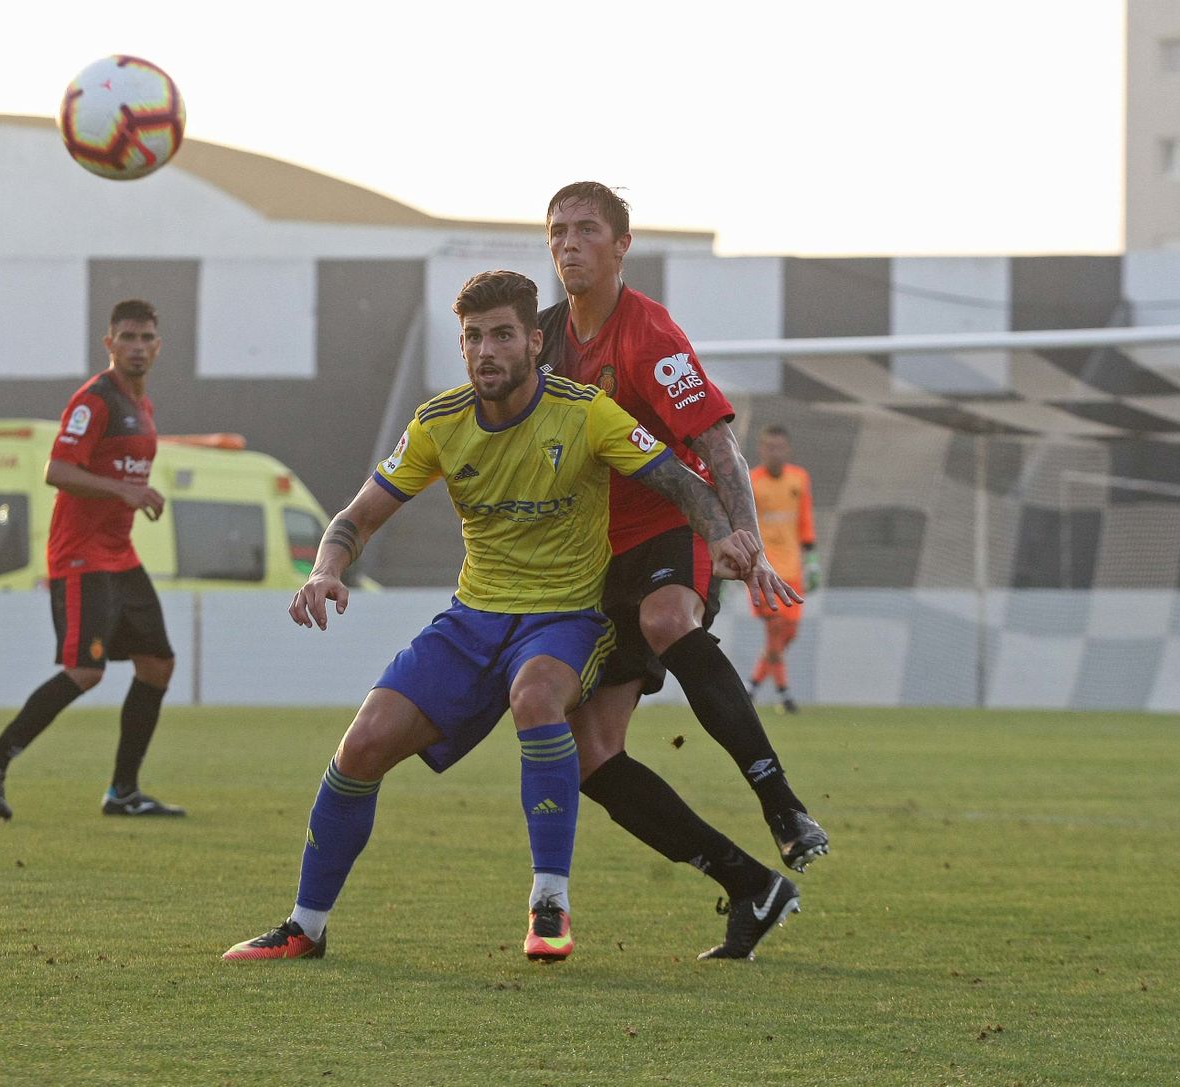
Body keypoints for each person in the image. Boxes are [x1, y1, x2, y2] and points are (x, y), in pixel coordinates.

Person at [222, 270, 770, 964]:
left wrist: (725, 534)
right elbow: (355, 518)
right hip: (473, 619)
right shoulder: (439, 422)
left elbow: (680, 479)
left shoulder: (584, 412)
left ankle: (550, 904)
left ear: (534, 342)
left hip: (569, 616)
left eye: (503, 334)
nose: (486, 350)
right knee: (360, 748)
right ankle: (306, 925)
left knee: (536, 696)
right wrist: (326, 569)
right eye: (473, 337)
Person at [538, 181, 829, 960]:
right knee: (595, 756)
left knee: (668, 618)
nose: (569, 243)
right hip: (590, 559)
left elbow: (717, 443)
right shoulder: (542, 338)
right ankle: (751, 885)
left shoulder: (648, 335)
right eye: (558, 230)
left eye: (587, 230)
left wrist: (742, 535)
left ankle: (783, 804)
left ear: (621, 245)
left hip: (668, 526)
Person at [0, 299, 184, 821]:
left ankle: (123, 792)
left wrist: (133, 491)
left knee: (157, 664)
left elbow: (116, 471)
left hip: (119, 556)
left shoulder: (142, 406)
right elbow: (57, 470)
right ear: (109, 343)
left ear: (157, 345)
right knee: (85, 670)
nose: (136, 347)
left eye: (146, 338)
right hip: (81, 558)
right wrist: (123, 492)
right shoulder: (95, 401)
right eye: (126, 337)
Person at [747, 425, 820, 713]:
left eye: (778, 447)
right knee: (775, 630)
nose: (773, 452)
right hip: (764, 571)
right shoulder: (751, 482)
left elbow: (804, 519)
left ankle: (752, 687)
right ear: (761, 449)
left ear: (786, 449)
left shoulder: (799, 479)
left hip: (793, 570)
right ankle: (784, 693)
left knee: (788, 633)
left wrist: (812, 560)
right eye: (768, 446)